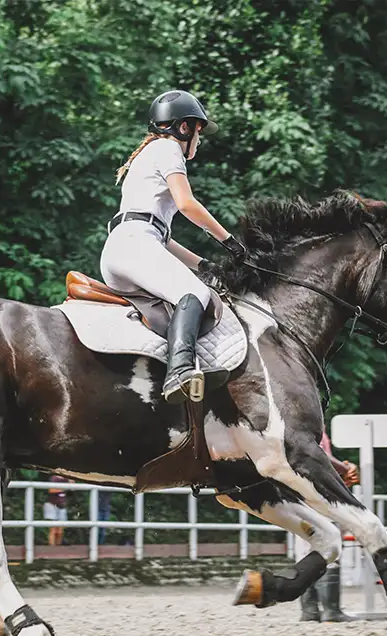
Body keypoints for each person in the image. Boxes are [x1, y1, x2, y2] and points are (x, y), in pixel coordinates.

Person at [101, 89, 248, 404]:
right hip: (135, 246)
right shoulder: (168, 149)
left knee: (189, 287)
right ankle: (180, 372)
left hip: (127, 247)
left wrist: (203, 265)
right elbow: (187, 204)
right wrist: (229, 240)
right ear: (184, 127)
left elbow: (161, 238)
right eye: (198, 131)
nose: (199, 139)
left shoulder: (148, 155)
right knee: (194, 294)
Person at [297, 431, 360, 623]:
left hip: (298, 494)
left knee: (305, 550)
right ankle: (331, 610)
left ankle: (310, 610)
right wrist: (345, 468)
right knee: (330, 547)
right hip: (320, 493)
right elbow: (321, 456)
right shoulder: (311, 426)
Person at [44, 475, 69, 546]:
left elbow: (72, 489)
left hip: (62, 506)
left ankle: (58, 548)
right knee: (53, 529)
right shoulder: (54, 478)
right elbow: (51, 490)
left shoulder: (66, 479)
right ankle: (52, 548)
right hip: (52, 505)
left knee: (60, 531)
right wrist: (64, 488)